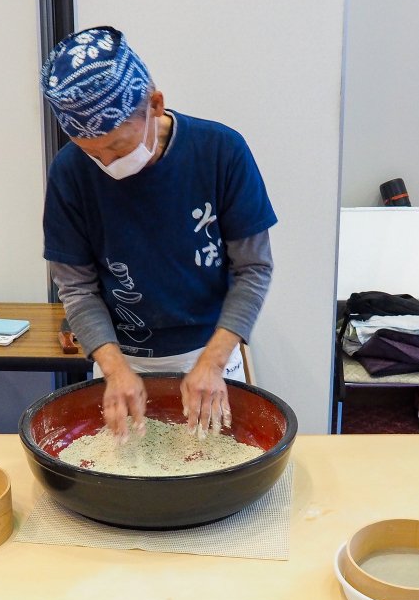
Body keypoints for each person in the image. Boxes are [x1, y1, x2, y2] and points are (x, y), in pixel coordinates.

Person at [40, 26, 277, 441]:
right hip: (119, 361)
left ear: (155, 104)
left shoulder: (220, 152)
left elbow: (253, 268)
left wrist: (213, 362)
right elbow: (77, 288)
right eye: (91, 152)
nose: (107, 163)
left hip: (211, 354)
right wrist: (114, 369)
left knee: (214, 472)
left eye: (116, 146)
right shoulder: (69, 173)